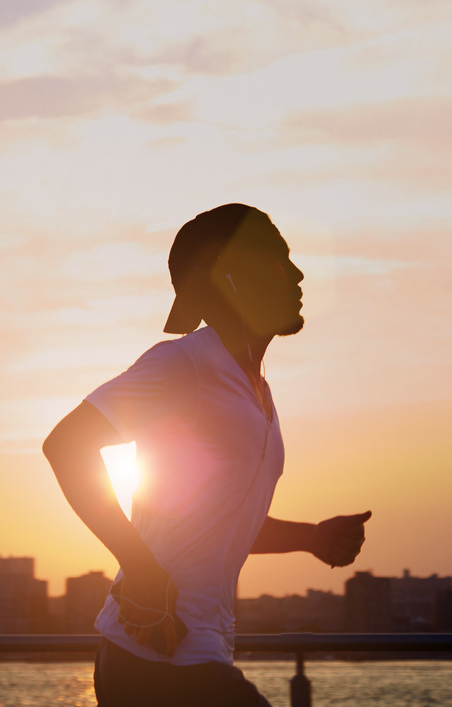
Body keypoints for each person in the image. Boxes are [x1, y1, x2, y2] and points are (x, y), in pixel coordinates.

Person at [43, 203, 371, 707]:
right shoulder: (184, 365)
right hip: (154, 653)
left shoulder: (255, 391)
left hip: (193, 653)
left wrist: (311, 538)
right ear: (232, 276)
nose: (300, 274)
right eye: (280, 260)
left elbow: (215, 522)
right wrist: (143, 569)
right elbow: (66, 445)